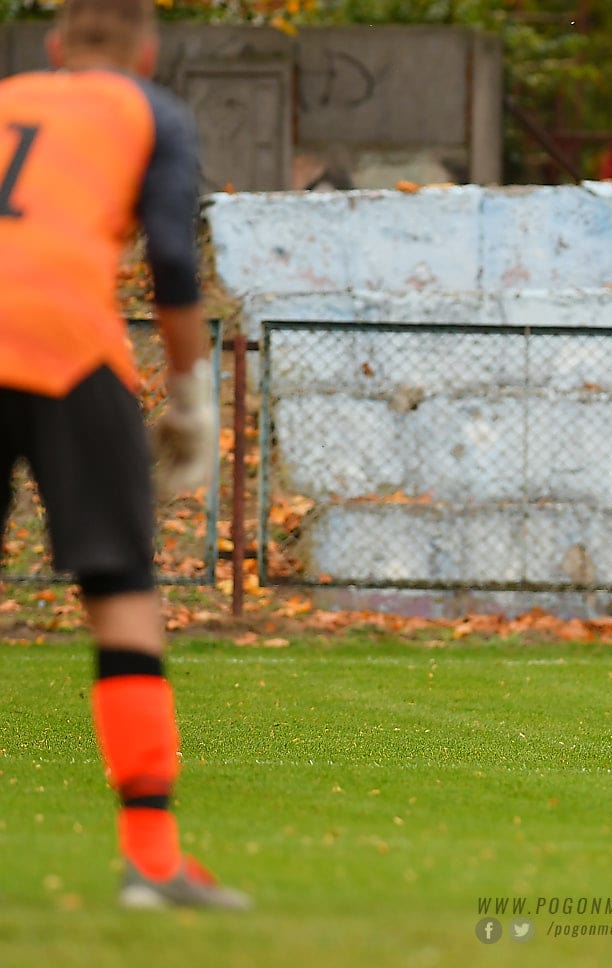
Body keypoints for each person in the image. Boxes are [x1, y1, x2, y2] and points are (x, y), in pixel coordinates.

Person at [0, 0, 248, 908]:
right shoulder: (151, 111)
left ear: (54, 47)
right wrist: (190, 395)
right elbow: (173, 261)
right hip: (69, 348)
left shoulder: (8, 98)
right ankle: (151, 858)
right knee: (120, 592)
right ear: (147, 52)